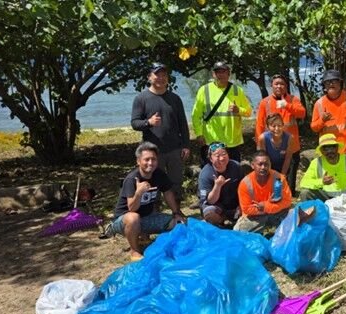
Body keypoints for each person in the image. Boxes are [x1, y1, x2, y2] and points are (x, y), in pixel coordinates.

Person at [107, 142, 187, 261]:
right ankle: (134, 251)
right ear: (138, 161)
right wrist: (139, 192)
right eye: (146, 159)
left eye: (153, 159)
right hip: (125, 220)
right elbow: (132, 209)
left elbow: (168, 193)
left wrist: (176, 213)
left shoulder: (159, 174)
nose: (150, 163)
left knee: (179, 223)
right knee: (133, 218)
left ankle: (143, 236)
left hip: (147, 217)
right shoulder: (131, 179)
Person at [131, 63, 190, 204]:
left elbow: (183, 123)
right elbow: (134, 123)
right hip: (152, 151)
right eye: (157, 75)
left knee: (176, 182)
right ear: (149, 77)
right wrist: (148, 122)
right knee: (153, 183)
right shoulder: (141, 98)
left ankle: (177, 211)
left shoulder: (175, 98)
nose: (161, 78)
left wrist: (186, 145)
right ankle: (154, 211)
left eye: (164, 75)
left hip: (175, 149)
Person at [191, 61, 252, 165]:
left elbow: (248, 112)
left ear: (229, 73)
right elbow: (196, 115)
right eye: (218, 72)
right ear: (213, 74)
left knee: (233, 172)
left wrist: (239, 110)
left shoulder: (237, 90)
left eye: (224, 71)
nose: (221, 74)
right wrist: (199, 134)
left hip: (232, 141)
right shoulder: (204, 90)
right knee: (211, 171)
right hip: (211, 140)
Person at [255, 74, 306, 191]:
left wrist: (287, 105)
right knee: (272, 176)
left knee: (290, 182)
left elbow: (302, 113)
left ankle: (290, 194)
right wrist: (260, 147)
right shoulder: (265, 102)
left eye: (282, 84)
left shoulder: (293, 99)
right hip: (272, 145)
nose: (279, 86)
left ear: (286, 86)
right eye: (276, 84)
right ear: (271, 86)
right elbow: (260, 125)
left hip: (291, 144)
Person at [299, 133, 346, 201]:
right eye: (325, 148)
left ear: (337, 148)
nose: (329, 151)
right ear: (321, 151)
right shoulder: (316, 163)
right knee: (305, 193)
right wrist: (321, 182)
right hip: (326, 198)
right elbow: (304, 183)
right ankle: (315, 215)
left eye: (332, 147)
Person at [234, 150, 292, 234]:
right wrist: (269, 205)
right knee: (238, 231)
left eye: (266, 164)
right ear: (252, 165)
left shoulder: (279, 178)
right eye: (260, 164)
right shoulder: (245, 183)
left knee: (294, 217)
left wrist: (265, 206)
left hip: (277, 213)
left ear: (270, 165)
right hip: (255, 216)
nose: (263, 167)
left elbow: (287, 201)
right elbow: (247, 209)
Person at [310, 69, 346, 154]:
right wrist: (322, 120)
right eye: (327, 82)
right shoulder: (319, 103)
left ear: (340, 83)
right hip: (328, 151)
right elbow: (314, 127)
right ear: (324, 86)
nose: (331, 84)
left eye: (334, 81)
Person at [198, 142, 244, 227]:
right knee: (210, 215)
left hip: (233, 204)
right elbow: (210, 201)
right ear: (211, 159)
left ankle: (234, 217)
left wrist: (241, 205)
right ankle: (220, 221)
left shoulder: (236, 166)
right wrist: (217, 186)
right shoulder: (205, 174)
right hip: (215, 205)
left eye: (224, 154)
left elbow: (244, 189)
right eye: (217, 156)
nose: (222, 158)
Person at [257, 113, 296, 183]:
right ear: (268, 127)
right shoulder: (262, 138)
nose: (277, 129)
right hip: (269, 166)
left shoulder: (290, 138)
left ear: (283, 125)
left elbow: (287, 159)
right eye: (273, 126)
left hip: (285, 165)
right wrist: (270, 176)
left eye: (279, 125)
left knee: (284, 187)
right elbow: (264, 160)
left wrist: (282, 176)